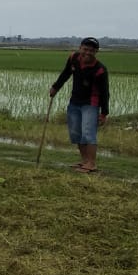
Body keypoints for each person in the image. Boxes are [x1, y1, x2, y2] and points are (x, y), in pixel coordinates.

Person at [49, 37, 110, 173]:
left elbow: (105, 92)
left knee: (88, 133)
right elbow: (66, 74)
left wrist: (104, 113)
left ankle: (92, 163)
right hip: (75, 101)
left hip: (91, 103)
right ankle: (84, 161)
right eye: (85, 49)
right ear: (80, 48)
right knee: (76, 132)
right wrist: (55, 88)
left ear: (96, 52)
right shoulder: (73, 58)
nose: (88, 53)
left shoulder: (100, 70)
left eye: (92, 51)